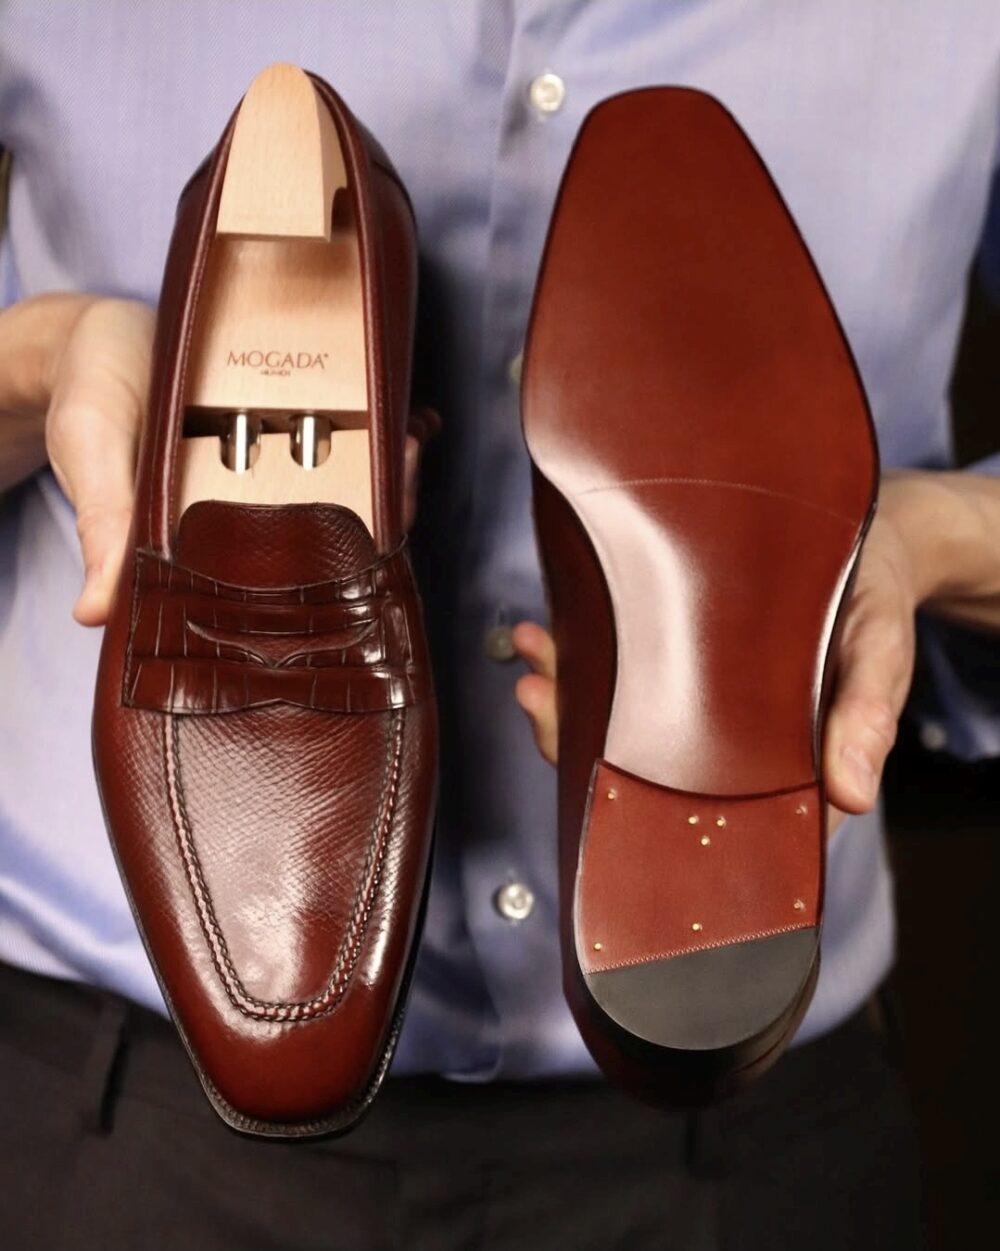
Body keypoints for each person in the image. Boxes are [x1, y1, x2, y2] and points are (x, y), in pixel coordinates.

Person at [2, 2, 999, 1247]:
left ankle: (694, 550)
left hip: (755, 1161)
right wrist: (51, 359)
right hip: (114, 1106)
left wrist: (919, 540)